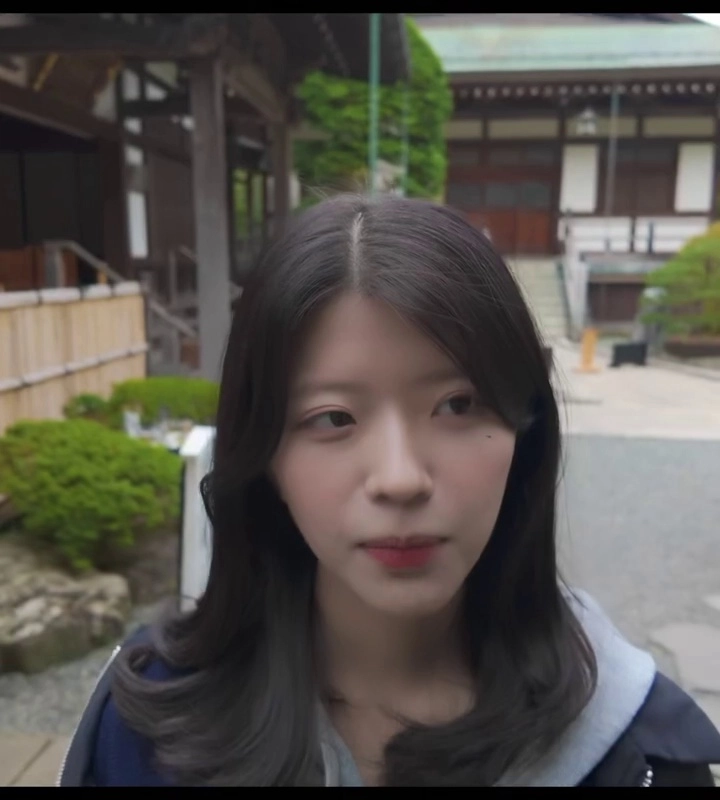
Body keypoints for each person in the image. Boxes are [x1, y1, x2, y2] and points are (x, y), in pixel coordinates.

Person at [59, 194, 720, 787]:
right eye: (333, 418)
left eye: (457, 405)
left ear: (526, 432)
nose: (401, 478)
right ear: (263, 457)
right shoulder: (146, 731)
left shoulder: (639, 756)